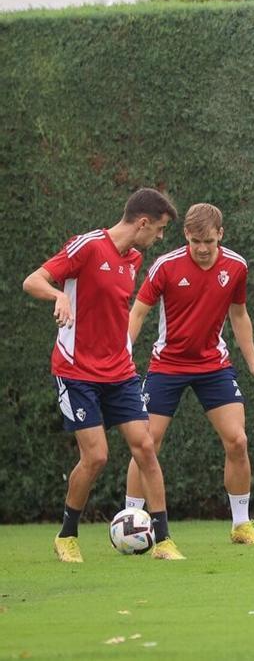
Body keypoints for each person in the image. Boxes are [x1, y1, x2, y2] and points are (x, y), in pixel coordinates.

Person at [22, 188, 186, 562]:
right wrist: (57, 296)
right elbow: (33, 280)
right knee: (96, 457)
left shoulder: (134, 258)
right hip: (76, 371)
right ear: (142, 222)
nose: (160, 238)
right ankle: (67, 536)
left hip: (119, 372)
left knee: (145, 447)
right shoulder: (88, 246)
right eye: (159, 229)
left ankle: (163, 541)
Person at [125, 203, 254, 546]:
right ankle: (130, 520)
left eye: (208, 240)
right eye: (195, 241)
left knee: (238, 440)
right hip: (167, 365)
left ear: (220, 234)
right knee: (146, 444)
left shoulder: (236, 266)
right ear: (185, 237)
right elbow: (138, 312)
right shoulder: (165, 266)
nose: (203, 248)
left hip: (213, 365)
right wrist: (123, 357)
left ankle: (241, 525)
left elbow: (239, 315)